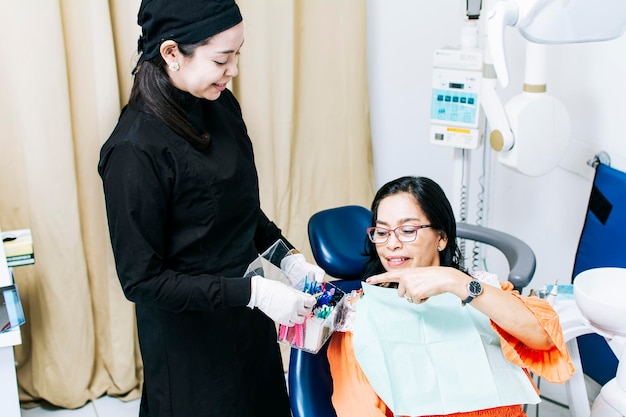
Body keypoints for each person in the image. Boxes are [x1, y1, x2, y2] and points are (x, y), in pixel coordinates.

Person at [97, 1, 324, 416]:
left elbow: (236, 210)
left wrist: (287, 258)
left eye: (238, 54)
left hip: (248, 319)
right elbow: (142, 281)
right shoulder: (134, 151)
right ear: (170, 53)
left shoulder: (220, 106)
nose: (233, 70)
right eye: (222, 59)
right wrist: (253, 291)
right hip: (190, 344)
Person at [327, 176, 574, 417]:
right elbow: (358, 407)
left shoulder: (479, 289)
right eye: (382, 232)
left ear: (441, 238)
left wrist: (456, 282)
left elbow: (544, 337)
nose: (391, 244)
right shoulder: (360, 314)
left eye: (407, 230)